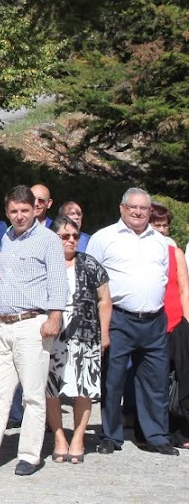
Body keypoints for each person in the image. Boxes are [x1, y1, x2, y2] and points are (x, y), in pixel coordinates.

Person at [0, 186, 69, 476]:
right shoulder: (7, 237)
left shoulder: (48, 240)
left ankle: (30, 456)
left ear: (35, 210)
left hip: (33, 324)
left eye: (25, 210)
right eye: (14, 211)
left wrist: (54, 316)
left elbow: (58, 281)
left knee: (32, 395)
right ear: (7, 212)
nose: (19, 216)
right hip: (5, 326)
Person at [87, 187, 180, 456]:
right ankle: (110, 436)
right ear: (122, 208)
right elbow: (91, 280)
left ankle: (155, 435)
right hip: (119, 318)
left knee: (156, 381)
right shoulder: (104, 238)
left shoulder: (162, 243)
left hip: (154, 320)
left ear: (150, 212)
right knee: (113, 380)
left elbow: (162, 277)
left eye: (143, 208)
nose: (138, 212)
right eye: (133, 207)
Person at [45, 215, 112, 464]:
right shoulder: (44, 265)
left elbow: (105, 299)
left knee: (84, 388)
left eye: (74, 236)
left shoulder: (90, 264)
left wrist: (104, 333)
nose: (71, 240)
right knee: (51, 388)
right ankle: (59, 437)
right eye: (65, 236)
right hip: (53, 337)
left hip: (85, 335)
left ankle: (78, 438)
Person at [150, 204, 189, 447]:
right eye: (158, 225)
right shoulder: (143, 252)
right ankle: (153, 430)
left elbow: (185, 288)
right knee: (155, 379)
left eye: (165, 225)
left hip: (177, 321)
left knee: (182, 378)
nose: (163, 230)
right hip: (153, 322)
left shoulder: (175, 252)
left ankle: (181, 430)